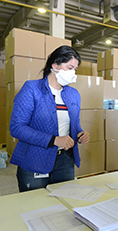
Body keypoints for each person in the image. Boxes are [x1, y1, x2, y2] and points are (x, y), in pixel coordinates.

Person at [9, 46, 90, 192]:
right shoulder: (32, 89)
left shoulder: (73, 94)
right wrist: (54, 140)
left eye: (75, 69)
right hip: (35, 158)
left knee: (63, 202)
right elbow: (17, 127)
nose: (73, 73)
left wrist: (80, 133)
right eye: (70, 67)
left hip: (65, 159)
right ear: (54, 65)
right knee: (35, 204)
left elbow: (74, 124)